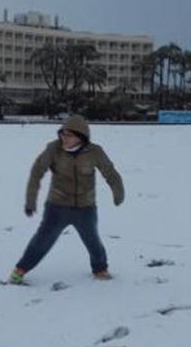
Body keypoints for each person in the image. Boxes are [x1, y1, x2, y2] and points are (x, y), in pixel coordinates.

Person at [9, 115, 124, 284]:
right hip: (57, 206)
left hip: (85, 208)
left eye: (69, 135)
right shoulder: (53, 149)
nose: (64, 138)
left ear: (81, 137)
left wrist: (118, 192)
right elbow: (37, 172)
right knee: (43, 240)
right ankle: (20, 270)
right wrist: (31, 201)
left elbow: (110, 173)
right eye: (62, 134)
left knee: (92, 240)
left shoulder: (95, 152)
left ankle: (100, 269)